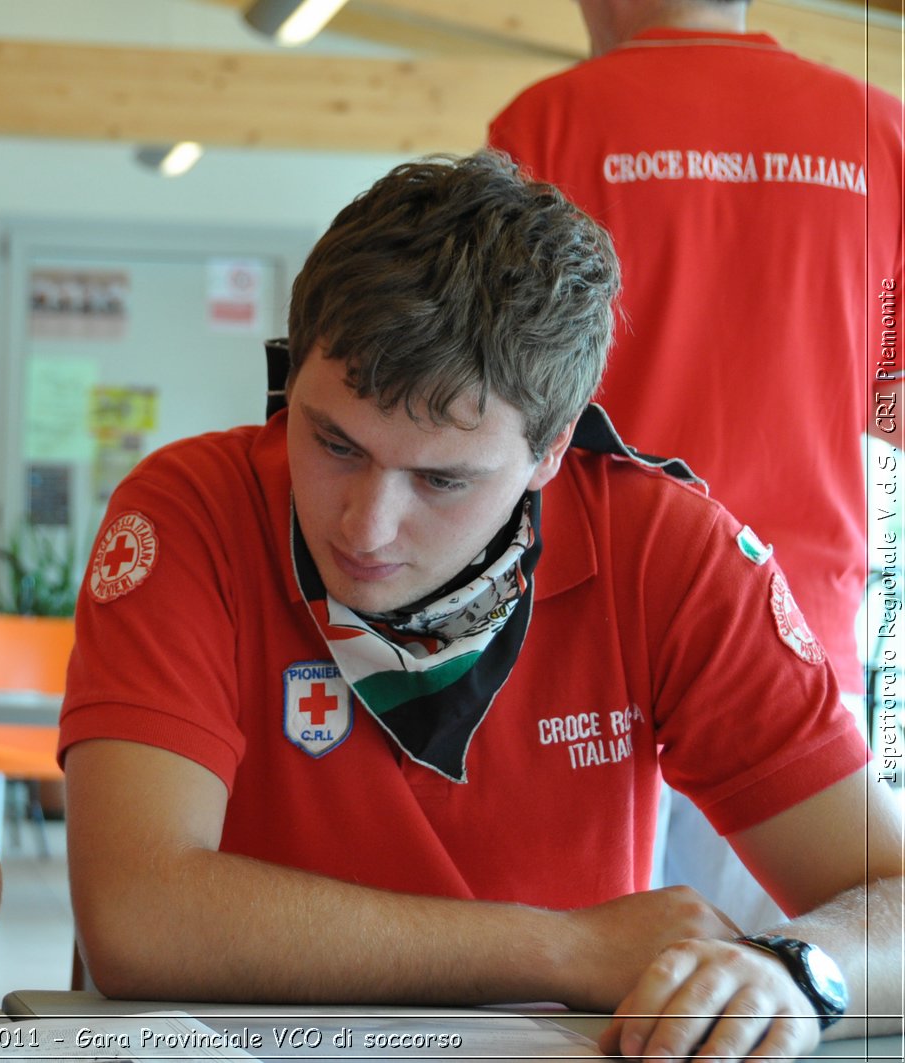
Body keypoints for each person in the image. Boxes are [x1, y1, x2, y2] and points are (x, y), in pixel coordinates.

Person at [61, 152, 901, 1063]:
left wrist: (797, 968)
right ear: (290, 373)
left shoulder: (668, 551)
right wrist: (565, 946)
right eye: (334, 441)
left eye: (442, 477)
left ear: (553, 450)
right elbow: (139, 915)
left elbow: (889, 895)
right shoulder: (189, 507)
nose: (366, 525)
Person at [487, 0, 903, 936]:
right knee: (787, 992)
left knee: (581, 993)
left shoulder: (549, 121)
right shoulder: (881, 133)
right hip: (797, 639)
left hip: (583, 637)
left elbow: (490, 392)